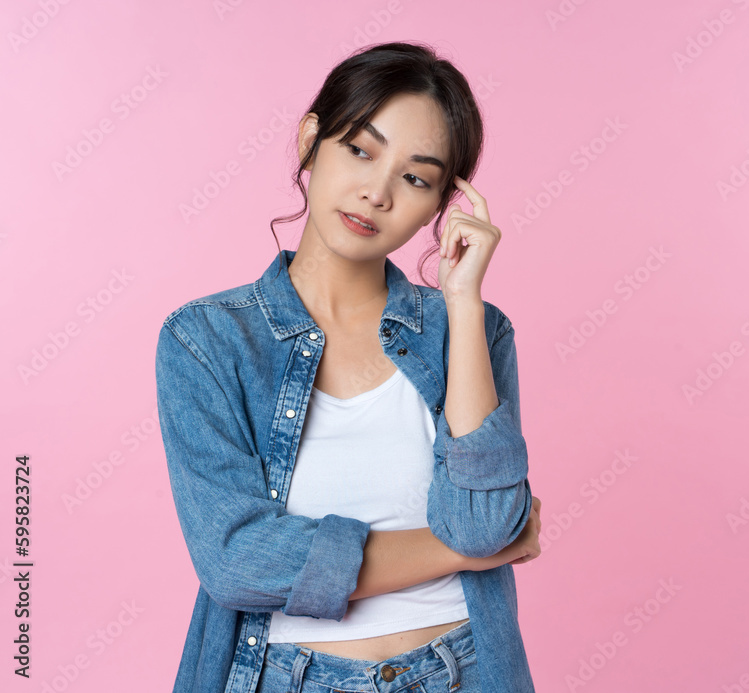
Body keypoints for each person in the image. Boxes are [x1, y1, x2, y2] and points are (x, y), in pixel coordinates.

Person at [154, 41, 541, 693]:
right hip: (288, 675)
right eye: (361, 149)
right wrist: (456, 552)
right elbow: (238, 561)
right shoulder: (206, 339)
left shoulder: (474, 330)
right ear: (311, 141)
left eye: (416, 178)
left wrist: (464, 299)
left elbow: (484, 521)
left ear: (443, 203)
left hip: (464, 668)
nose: (377, 191)